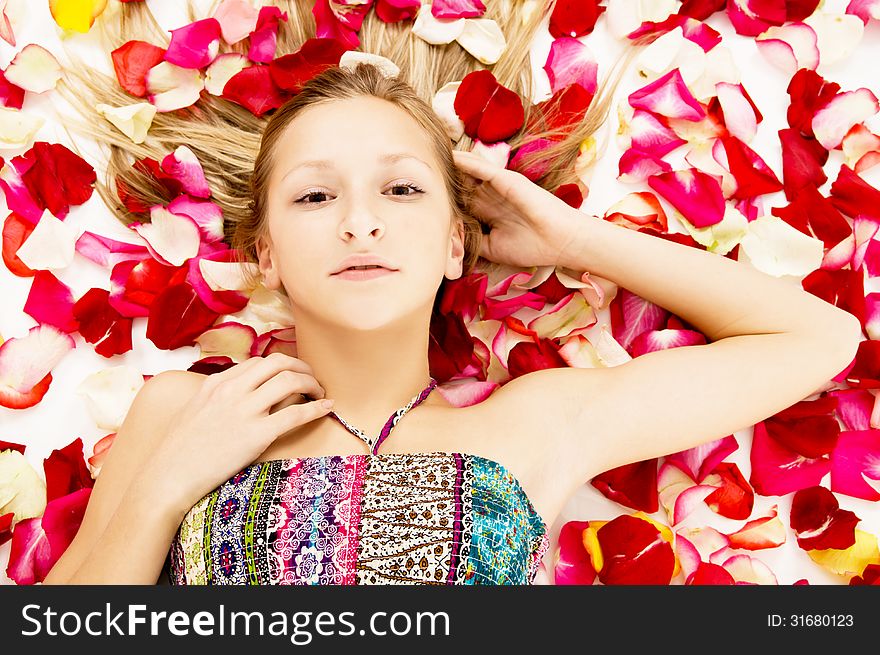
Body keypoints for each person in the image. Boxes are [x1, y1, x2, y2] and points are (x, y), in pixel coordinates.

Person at [42, 0, 861, 585]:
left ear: (452, 243)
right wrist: (162, 487)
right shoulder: (178, 414)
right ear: (264, 256)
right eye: (316, 197)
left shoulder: (533, 423)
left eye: (401, 192)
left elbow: (818, 341)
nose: (361, 224)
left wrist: (575, 240)